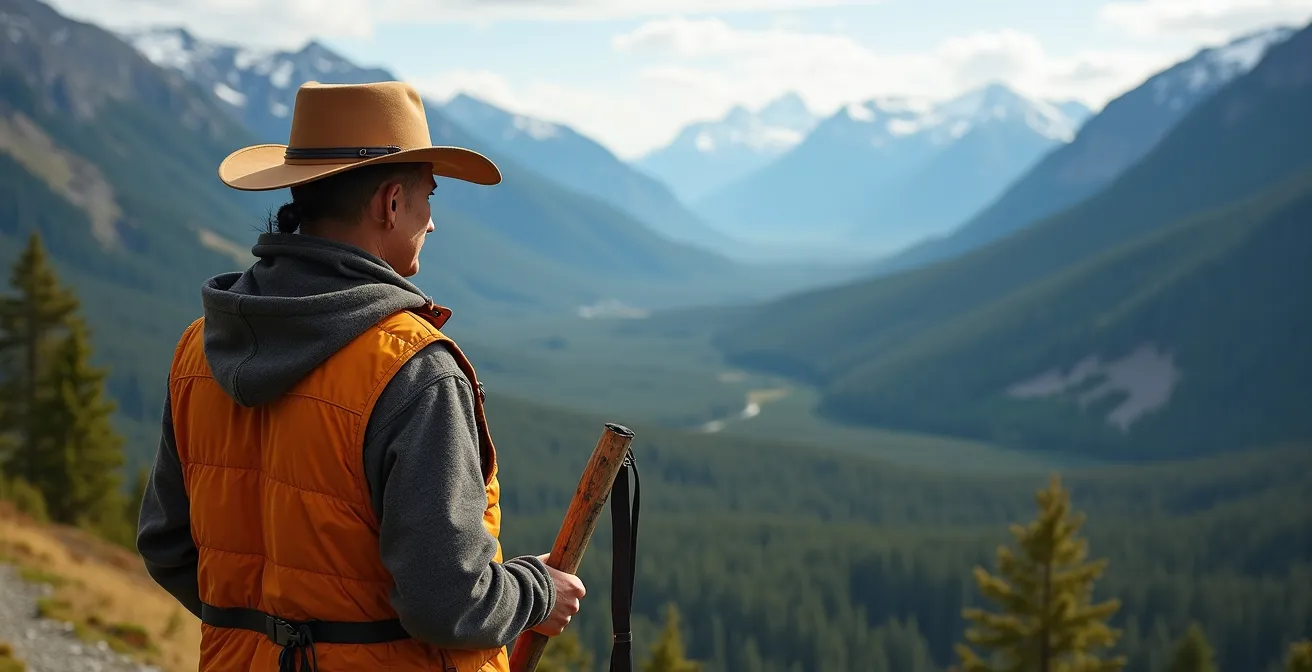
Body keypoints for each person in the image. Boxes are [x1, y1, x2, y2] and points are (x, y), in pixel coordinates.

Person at [135, 80, 585, 672]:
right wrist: (537, 591)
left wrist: (273, 634)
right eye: (429, 197)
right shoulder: (411, 369)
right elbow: (447, 604)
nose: (431, 222)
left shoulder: (199, 350)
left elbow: (168, 546)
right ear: (390, 204)